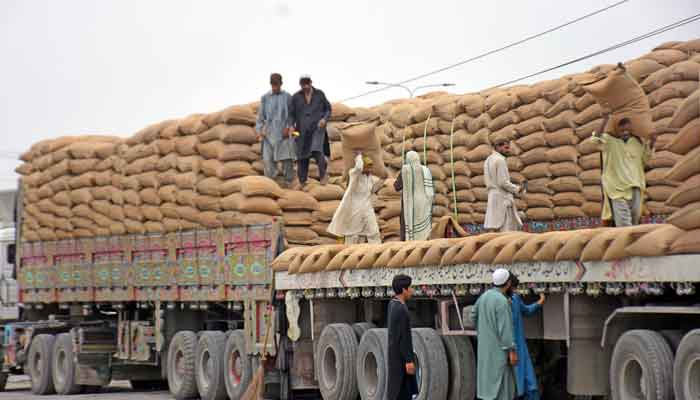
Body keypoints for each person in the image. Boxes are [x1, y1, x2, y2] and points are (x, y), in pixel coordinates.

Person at [592, 116, 655, 226]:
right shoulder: (609, 141)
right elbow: (595, 139)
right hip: (616, 189)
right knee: (624, 224)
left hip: (635, 186)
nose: (625, 133)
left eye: (628, 130)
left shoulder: (636, 143)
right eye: (622, 130)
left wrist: (652, 142)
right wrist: (605, 120)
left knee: (634, 222)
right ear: (616, 130)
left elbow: (646, 159)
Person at [470, 268, 517, 400]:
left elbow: (473, 315)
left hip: (485, 349)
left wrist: (483, 330)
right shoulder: (502, 302)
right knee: (502, 387)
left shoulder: (484, 296)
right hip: (499, 351)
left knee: (487, 383)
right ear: (508, 284)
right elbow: (505, 330)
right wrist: (512, 350)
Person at [327, 154, 382, 244]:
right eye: (368, 167)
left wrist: (383, 181)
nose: (370, 170)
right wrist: (359, 154)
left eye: (371, 167)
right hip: (355, 208)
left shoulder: (370, 178)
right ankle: (349, 253)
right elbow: (358, 167)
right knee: (353, 234)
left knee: (374, 231)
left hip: (367, 208)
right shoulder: (355, 174)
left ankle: (377, 250)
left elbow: (373, 189)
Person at [255, 73, 297, 189]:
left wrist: (289, 127)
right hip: (269, 136)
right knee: (268, 162)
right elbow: (260, 118)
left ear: (281, 84)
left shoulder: (287, 97)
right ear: (270, 84)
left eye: (277, 85)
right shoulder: (265, 98)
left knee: (287, 162)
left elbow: (292, 116)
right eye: (273, 85)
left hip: (283, 135)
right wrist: (260, 131)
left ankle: (290, 185)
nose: (275, 88)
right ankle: (270, 188)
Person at [288, 74, 332, 186]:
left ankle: (323, 177)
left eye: (307, 84)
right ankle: (303, 182)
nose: (305, 87)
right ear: (300, 85)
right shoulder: (296, 97)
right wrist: (291, 125)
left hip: (317, 129)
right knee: (302, 157)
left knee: (317, 150)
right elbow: (291, 115)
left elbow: (328, 109)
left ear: (311, 83)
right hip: (301, 131)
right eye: (303, 85)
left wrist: (324, 119)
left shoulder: (319, 94)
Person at [508, 273, 546, 400]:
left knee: (529, 382)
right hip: (510, 348)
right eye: (514, 288)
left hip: (519, 347)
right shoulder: (500, 302)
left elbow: (526, 310)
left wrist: (539, 303)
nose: (515, 290)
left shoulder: (515, 298)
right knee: (516, 383)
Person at [386, 274, 418, 400]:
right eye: (410, 288)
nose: (412, 290)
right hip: (401, 361)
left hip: (395, 358)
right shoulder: (401, 309)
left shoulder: (392, 304)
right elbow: (403, 338)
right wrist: (409, 360)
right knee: (402, 392)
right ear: (404, 289)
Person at [484, 139, 524, 232]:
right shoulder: (500, 160)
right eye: (506, 148)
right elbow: (503, 182)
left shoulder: (488, 160)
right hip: (502, 199)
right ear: (498, 147)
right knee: (506, 230)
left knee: (494, 229)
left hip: (493, 198)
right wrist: (517, 189)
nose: (508, 150)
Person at [394, 150, 434, 241]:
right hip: (424, 201)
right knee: (422, 225)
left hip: (410, 202)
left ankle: (407, 244)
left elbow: (396, 186)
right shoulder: (426, 170)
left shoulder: (406, 170)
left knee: (406, 222)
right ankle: (423, 241)